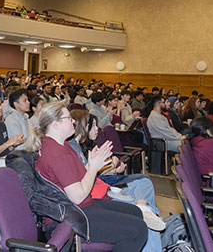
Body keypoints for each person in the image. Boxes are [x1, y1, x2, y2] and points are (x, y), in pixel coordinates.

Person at [27, 101, 149, 251]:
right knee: (138, 230)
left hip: (74, 207)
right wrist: (93, 168)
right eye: (68, 118)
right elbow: (77, 196)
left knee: (135, 212)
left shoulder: (60, 145)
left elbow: (75, 177)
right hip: (70, 216)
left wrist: (92, 164)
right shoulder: (57, 154)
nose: (73, 121)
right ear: (55, 124)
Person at [68, 109, 163, 251]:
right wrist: (103, 168)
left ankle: (148, 211)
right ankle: (148, 211)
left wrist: (108, 168)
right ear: (84, 126)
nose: (97, 130)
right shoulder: (69, 148)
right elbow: (85, 180)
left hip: (99, 187)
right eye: (93, 126)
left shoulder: (76, 146)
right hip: (96, 194)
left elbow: (90, 173)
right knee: (143, 215)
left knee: (144, 183)